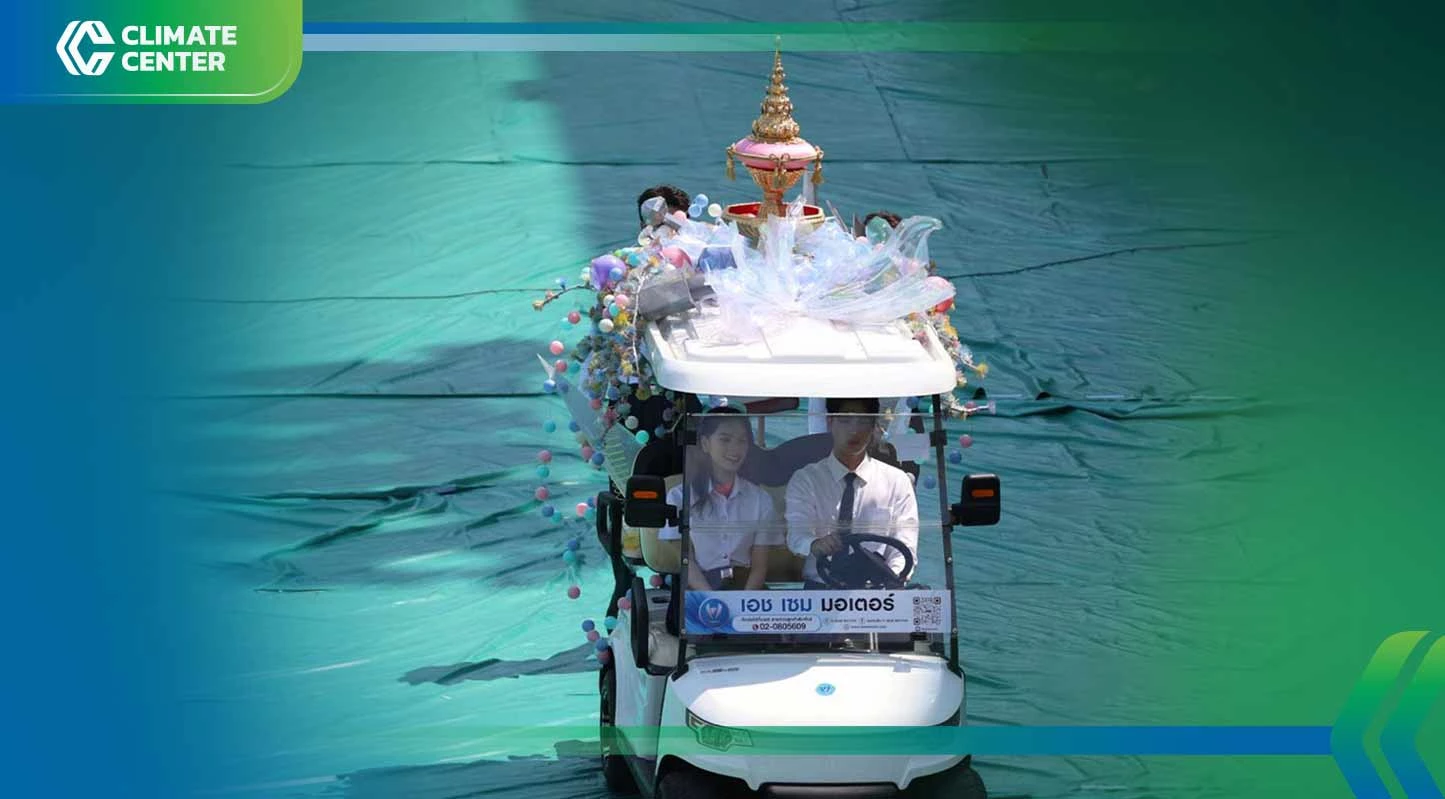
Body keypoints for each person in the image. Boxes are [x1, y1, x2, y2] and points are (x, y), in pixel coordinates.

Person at [785, 397, 920, 589]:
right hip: (820, 588)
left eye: (863, 421)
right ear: (830, 422)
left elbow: (905, 545)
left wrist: (892, 580)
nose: (854, 430)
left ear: (874, 426)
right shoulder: (806, 479)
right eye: (845, 420)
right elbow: (797, 535)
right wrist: (815, 544)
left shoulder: (897, 481)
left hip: (879, 591)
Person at [659, 406, 781, 591]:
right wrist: (712, 599)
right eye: (725, 439)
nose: (735, 448)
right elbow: (687, 562)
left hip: (747, 589)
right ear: (705, 444)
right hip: (699, 590)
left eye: (742, 441)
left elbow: (759, 567)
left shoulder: (760, 499)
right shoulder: (679, 497)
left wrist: (744, 602)